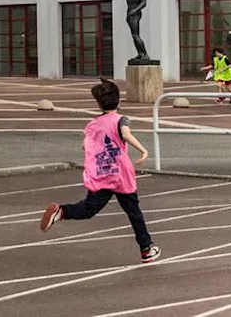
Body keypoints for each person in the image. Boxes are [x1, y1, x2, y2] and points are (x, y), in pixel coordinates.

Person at [40, 78, 160, 264]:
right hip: (120, 176)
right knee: (133, 212)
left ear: (98, 103)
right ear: (118, 101)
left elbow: (84, 146)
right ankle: (146, 249)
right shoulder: (121, 120)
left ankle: (62, 212)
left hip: (102, 173)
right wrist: (143, 151)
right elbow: (126, 134)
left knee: (89, 208)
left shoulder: (93, 124)